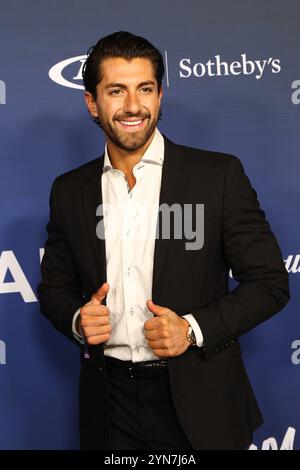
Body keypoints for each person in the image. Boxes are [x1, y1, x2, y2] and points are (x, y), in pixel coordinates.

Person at [37, 31, 290, 450]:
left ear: (159, 96)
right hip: (108, 402)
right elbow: (54, 289)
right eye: (116, 91)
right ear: (91, 103)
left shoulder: (217, 176)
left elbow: (269, 283)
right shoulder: (69, 190)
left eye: (145, 89)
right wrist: (77, 320)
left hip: (201, 399)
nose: (133, 106)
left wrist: (191, 330)